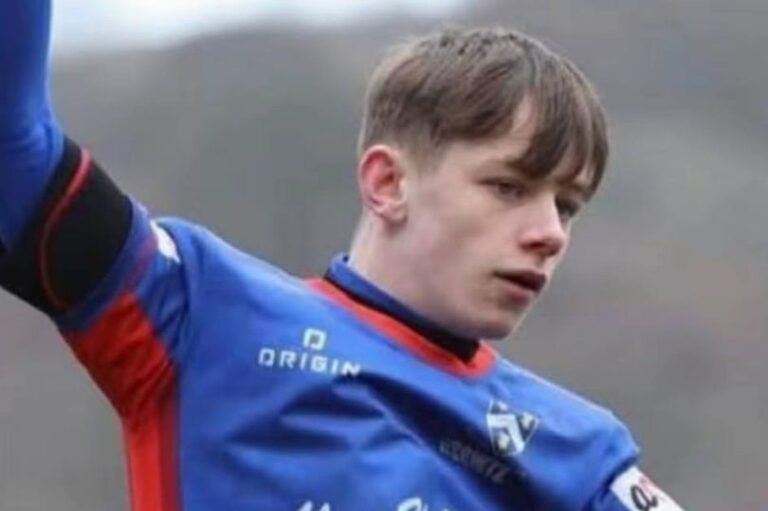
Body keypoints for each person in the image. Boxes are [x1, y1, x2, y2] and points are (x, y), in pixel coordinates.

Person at [0, 1, 686, 510]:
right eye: (508, 187)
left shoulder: (579, 452)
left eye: (567, 205)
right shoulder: (203, 313)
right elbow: (12, 152)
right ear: (388, 182)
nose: (550, 232)